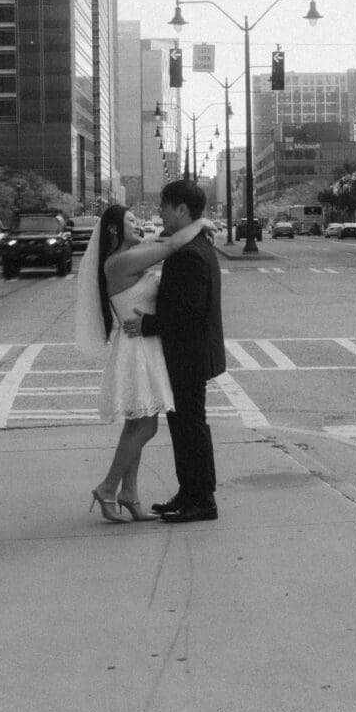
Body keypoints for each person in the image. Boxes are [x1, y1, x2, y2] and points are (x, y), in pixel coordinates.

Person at [75, 203, 215, 523]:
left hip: (141, 346)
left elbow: (162, 245)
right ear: (113, 229)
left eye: (138, 221)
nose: (138, 226)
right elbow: (169, 246)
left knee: (134, 424)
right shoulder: (120, 262)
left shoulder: (123, 259)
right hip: (138, 350)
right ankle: (108, 486)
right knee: (147, 425)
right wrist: (200, 221)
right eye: (131, 221)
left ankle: (130, 494)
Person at [123, 180, 226, 523]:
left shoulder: (190, 255)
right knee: (185, 426)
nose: (161, 213)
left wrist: (148, 324)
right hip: (189, 353)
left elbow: (188, 313)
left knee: (190, 427)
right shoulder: (192, 246)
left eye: (165, 207)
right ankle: (190, 493)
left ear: (182, 210)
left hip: (189, 355)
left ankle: (202, 500)